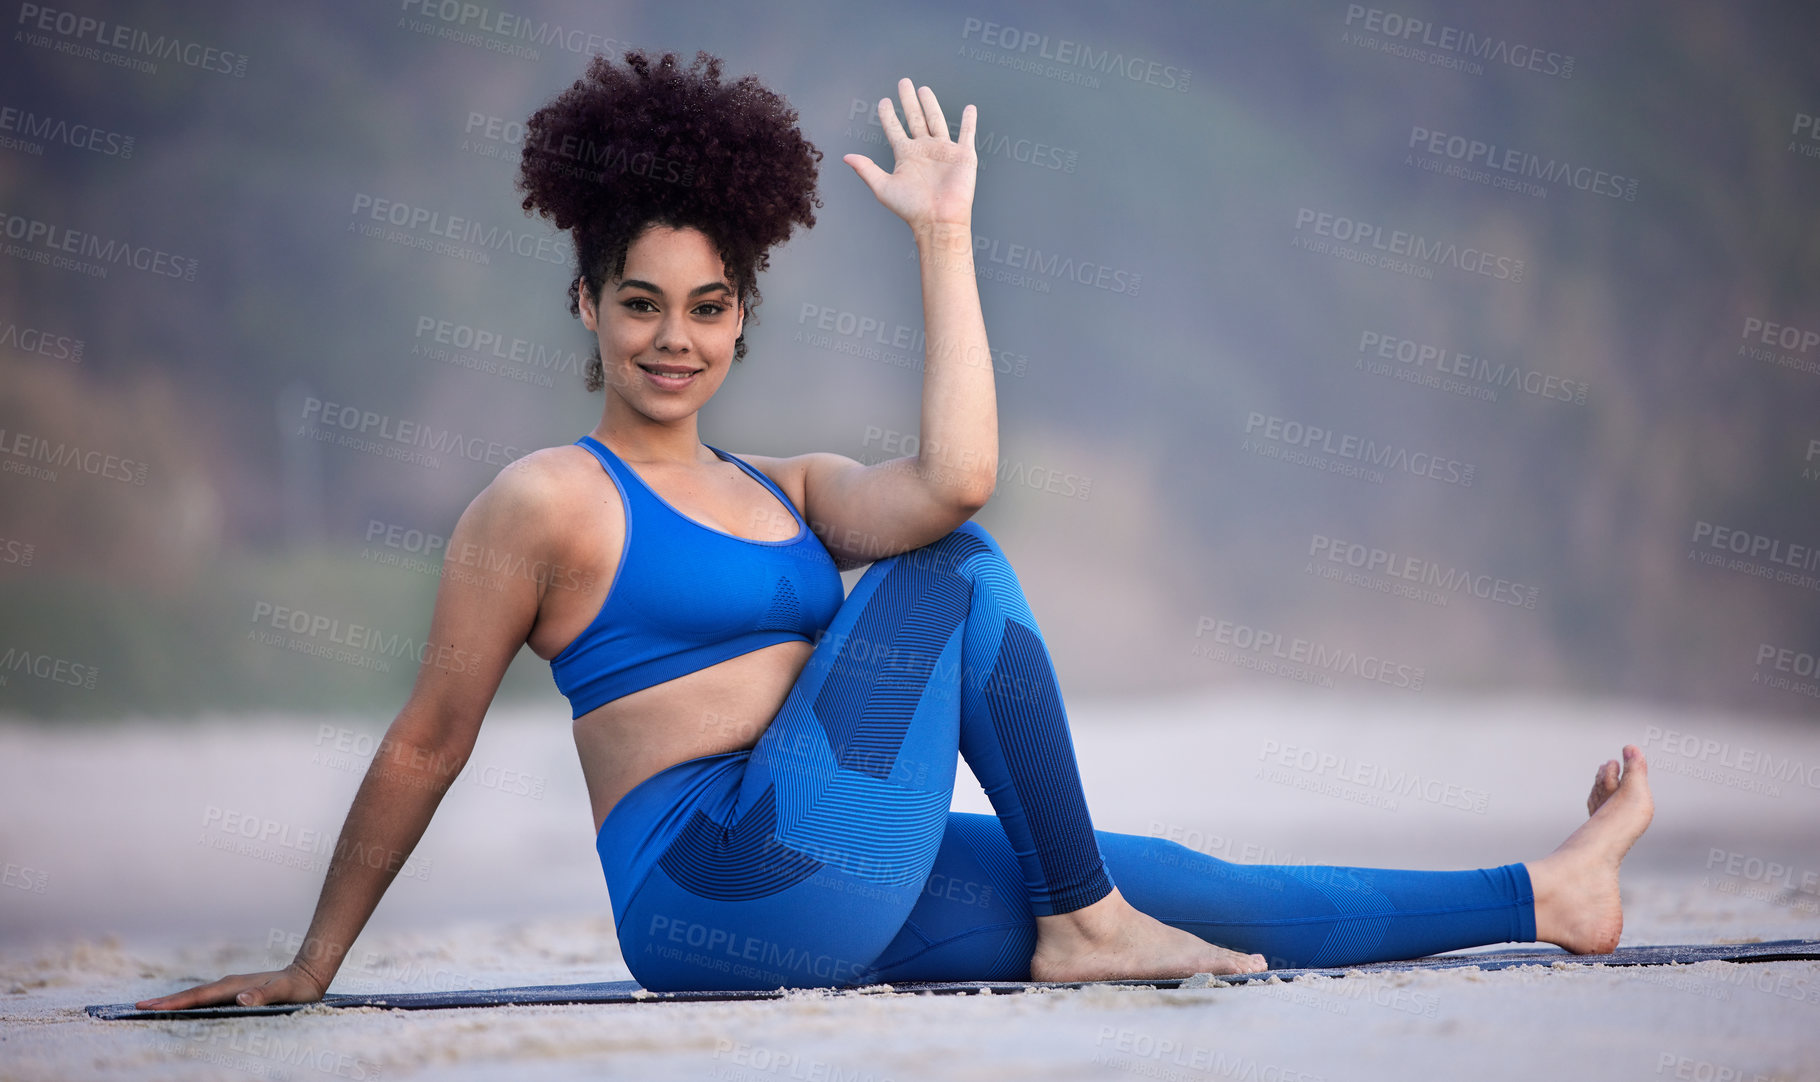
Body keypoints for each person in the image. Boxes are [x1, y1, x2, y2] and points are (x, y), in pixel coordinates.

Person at [137, 50, 1653, 1008]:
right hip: (714, 884)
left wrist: (943, 239)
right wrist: (313, 961)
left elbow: (950, 465)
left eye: (709, 307)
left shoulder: (791, 487)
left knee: (1190, 880)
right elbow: (427, 737)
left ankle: (1546, 890)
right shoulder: (544, 499)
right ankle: (1082, 923)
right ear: (587, 304)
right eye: (642, 304)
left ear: (745, 320)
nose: (675, 339)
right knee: (959, 571)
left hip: (847, 866)